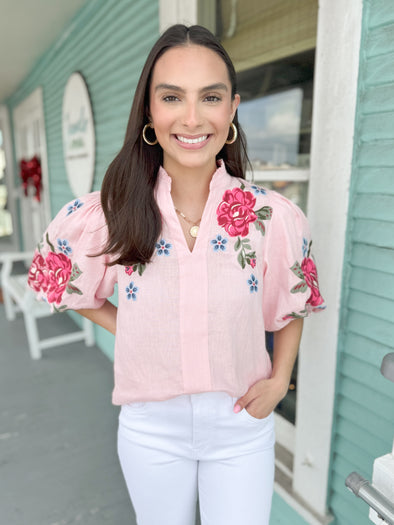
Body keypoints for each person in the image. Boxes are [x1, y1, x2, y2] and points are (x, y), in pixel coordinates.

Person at [27, 24, 325, 525]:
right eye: (172, 97)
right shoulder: (111, 212)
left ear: (232, 108)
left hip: (239, 424)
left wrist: (280, 380)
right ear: (150, 109)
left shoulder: (271, 217)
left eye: (210, 96)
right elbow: (65, 285)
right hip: (150, 428)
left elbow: (290, 304)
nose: (191, 117)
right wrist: (134, 327)